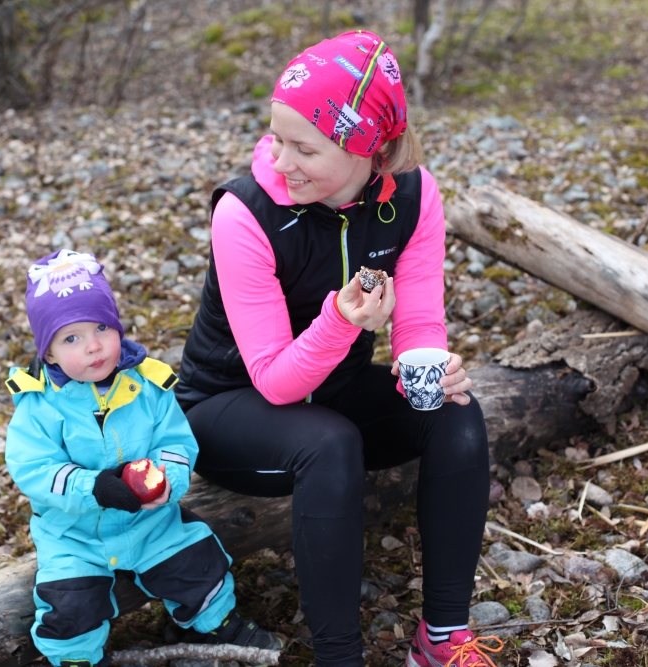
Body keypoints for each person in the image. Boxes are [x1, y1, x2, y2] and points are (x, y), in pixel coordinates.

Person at [176, 31, 499, 667]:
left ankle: (441, 640)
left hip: (335, 391)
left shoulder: (412, 196)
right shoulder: (245, 212)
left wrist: (429, 371)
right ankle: (338, 657)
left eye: (305, 147)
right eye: (276, 137)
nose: (281, 160)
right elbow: (273, 382)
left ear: (369, 148)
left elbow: (419, 323)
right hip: (227, 406)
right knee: (329, 442)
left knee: (458, 414)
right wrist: (342, 323)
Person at [4, 249, 281, 667]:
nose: (94, 346)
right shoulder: (39, 407)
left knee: (198, 560)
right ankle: (76, 659)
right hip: (74, 534)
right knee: (68, 604)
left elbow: (175, 442)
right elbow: (34, 469)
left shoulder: (148, 385)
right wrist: (94, 487)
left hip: (151, 520)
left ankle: (213, 622)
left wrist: (168, 479)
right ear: (49, 353)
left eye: (101, 327)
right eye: (71, 338)